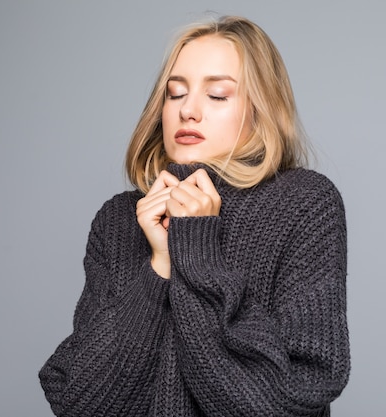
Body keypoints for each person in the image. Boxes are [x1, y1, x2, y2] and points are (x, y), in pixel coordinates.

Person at [39, 15, 349, 417]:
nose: (188, 110)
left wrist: (199, 253)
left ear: (262, 110)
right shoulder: (118, 220)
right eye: (175, 93)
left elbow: (285, 402)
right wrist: (159, 268)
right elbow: (79, 403)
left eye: (218, 95)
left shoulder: (304, 204)